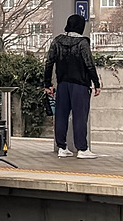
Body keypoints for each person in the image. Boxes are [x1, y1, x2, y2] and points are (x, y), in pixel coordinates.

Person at [43, 13, 102, 158]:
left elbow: (49, 63)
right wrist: (96, 83)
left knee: (61, 115)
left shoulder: (57, 41)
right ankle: (82, 149)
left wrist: (47, 84)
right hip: (80, 85)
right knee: (80, 116)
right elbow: (89, 64)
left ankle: (62, 148)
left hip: (62, 84)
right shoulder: (83, 43)